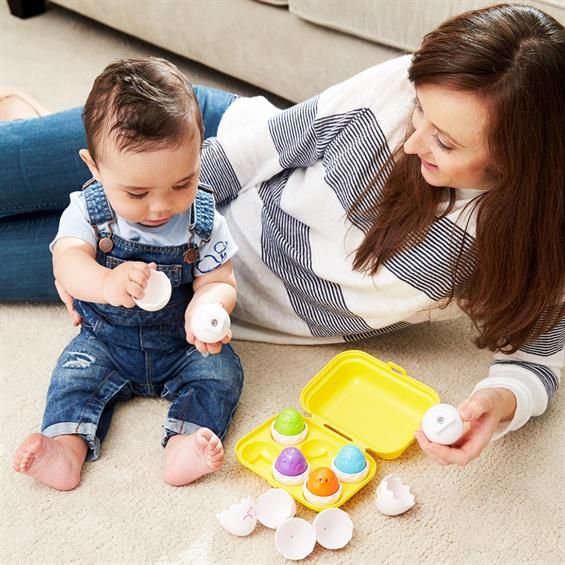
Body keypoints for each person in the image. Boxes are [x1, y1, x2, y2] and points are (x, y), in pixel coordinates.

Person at [1, 4, 563, 468]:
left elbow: (545, 340)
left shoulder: (521, 238)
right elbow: (262, 147)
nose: (412, 141)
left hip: (192, 287)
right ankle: (49, 138)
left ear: (520, 162)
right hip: (192, 155)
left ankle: (35, 122)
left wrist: (500, 400)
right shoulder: (404, 88)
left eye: (445, 141)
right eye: (418, 111)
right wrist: (91, 241)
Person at [11, 58, 244, 490]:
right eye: (137, 192)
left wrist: (208, 306)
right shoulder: (89, 211)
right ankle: (64, 446)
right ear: (94, 168)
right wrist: (105, 283)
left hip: (181, 343)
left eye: (182, 183)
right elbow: (67, 263)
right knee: (73, 375)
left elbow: (220, 280)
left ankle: (186, 441)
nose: (161, 206)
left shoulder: (205, 221)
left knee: (221, 372)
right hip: (105, 341)